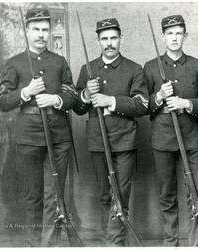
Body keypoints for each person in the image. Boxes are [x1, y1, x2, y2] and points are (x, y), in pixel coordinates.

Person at [0, 6, 78, 247]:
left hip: (58, 136)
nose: (41, 34)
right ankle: (35, 245)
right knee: (33, 197)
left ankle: (49, 245)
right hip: (28, 137)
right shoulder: (15, 63)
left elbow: (72, 95)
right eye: (36, 30)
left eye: (45, 29)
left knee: (54, 196)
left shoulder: (59, 62)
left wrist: (56, 99)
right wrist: (26, 92)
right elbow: (2, 102)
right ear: (27, 31)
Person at [73, 18, 148, 246]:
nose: (109, 43)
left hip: (124, 139)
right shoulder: (88, 69)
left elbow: (141, 104)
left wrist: (111, 101)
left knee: (120, 195)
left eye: (113, 38)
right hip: (98, 139)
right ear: (98, 41)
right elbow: (77, 106)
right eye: (104, 39)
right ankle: (110, 240)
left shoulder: (134, 69)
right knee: (105, 194)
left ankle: (115, 243)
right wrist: (86, 93)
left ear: (121, 39)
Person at [143, 15, 198, 246]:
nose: (174, 38)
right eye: (169, 33)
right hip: (162, 139)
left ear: (185, 36)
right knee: (167, 195)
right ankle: (171, 243)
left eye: (178, 33)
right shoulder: (151, 67)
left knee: (196, 192)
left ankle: (195, 243)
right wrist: (159, 96)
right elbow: (144, 106)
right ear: (162, 36)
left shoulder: (197, 65)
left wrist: (186, 104)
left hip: (190, 139)